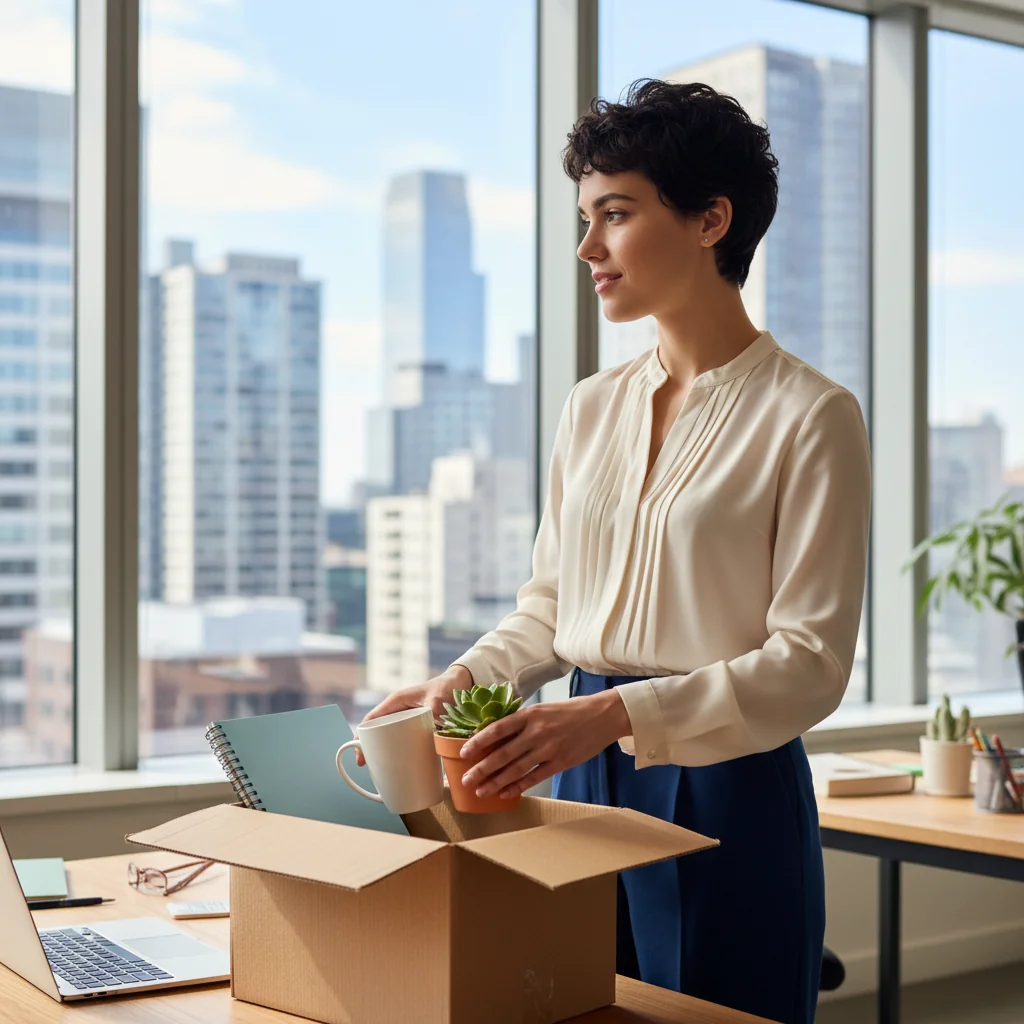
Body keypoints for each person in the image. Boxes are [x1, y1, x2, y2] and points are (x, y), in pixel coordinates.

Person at [359, 79, 871, 1024]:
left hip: (726, 781)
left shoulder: (813, 415)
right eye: (585, 218)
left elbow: (810, 663)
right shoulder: (591, 407)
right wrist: (464, 680)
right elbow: (552, 604)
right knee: (563, 1003)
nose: (588, 247)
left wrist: (610, 716)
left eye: (616, 214)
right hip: (570, 764)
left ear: (711, 220)